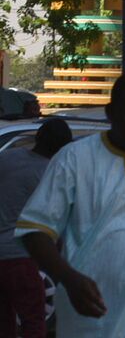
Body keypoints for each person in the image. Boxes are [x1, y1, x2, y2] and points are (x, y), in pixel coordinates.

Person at [18, 74, 125, 338]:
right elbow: (35, 230)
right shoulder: (75, 159)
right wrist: (68, 278)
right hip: (95, 319)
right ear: (111, 113)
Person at [0, 119, 72, 338]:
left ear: (38, 137)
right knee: (33, 321)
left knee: (4, 323)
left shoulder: (7, 158)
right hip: (20, 257)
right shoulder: (49, 175)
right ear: (62, 148)